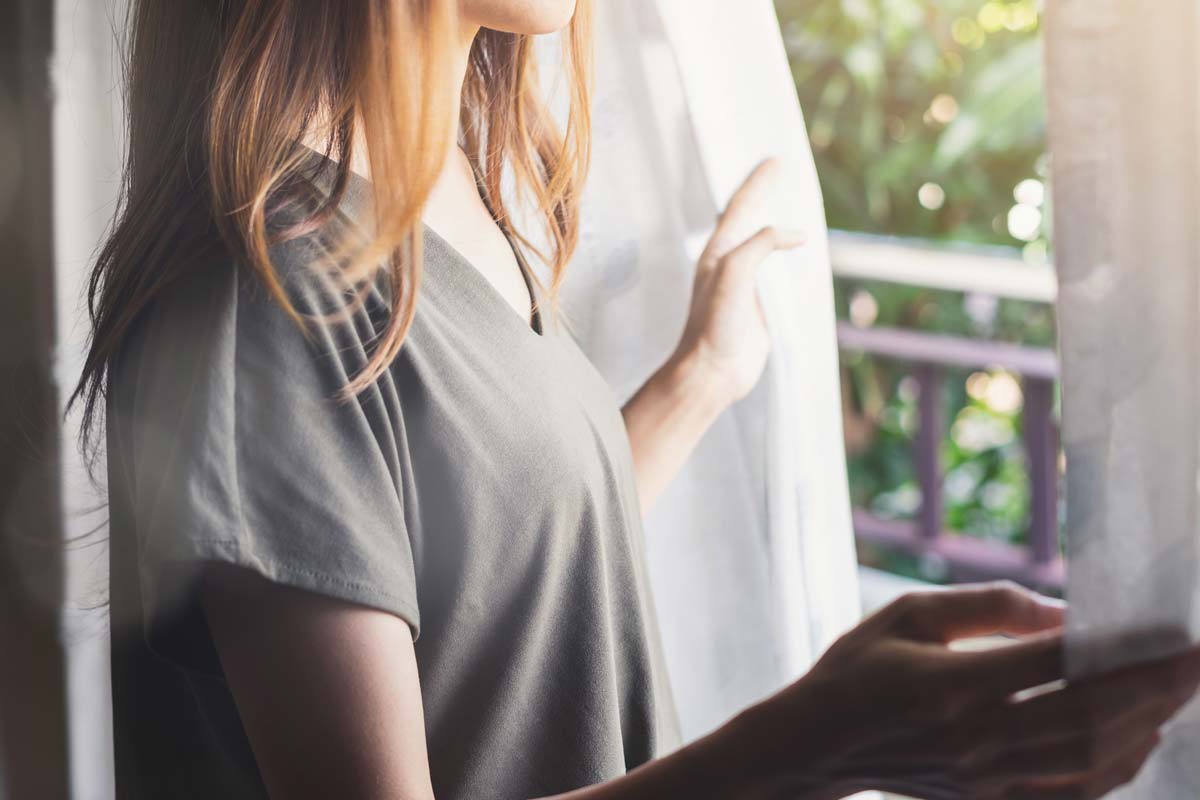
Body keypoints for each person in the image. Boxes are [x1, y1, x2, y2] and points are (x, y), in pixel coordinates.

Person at [72, 1, 1200, 798]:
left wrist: (701, 374)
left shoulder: (443, 197)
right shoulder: (259, 306)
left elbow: (500, 557)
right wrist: (821, 742)